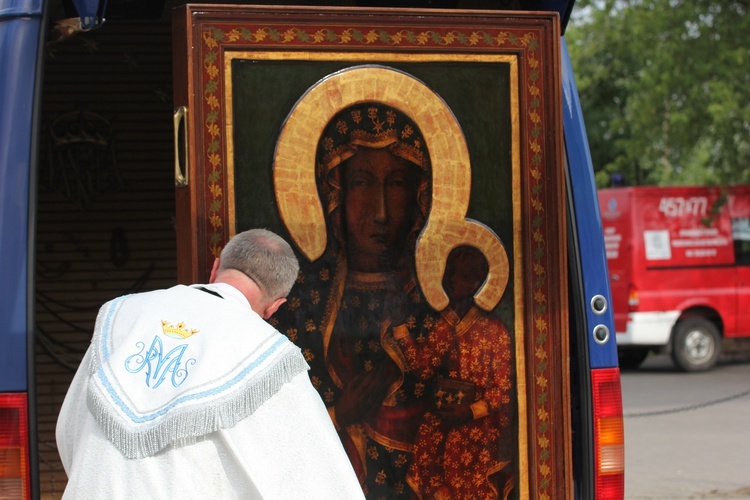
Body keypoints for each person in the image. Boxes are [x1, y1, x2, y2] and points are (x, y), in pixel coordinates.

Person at [55, 228, 364, 499]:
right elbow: (316, 480)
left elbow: (70, 429)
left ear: (215, 268)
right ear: (275, 306)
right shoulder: (268, 354)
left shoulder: (122, 314)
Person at [272, 102, 438, 498]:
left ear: (418, 196)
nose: (379, 212)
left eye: (396, 184)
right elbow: (274, 421)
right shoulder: (302, 299)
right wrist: (338, 414)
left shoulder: (434, 298)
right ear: (335, 192)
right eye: (362, 182)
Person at [392, 245, 515, 499]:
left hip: (480, 426)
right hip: (445, 418)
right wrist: (400, 328)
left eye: (457, 275)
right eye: (447, 272)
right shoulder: (444, 326)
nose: (448, 280)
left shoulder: (494, 331)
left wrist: (469, 412)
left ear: (474, 283)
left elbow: (502, 390)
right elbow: (423, 368)